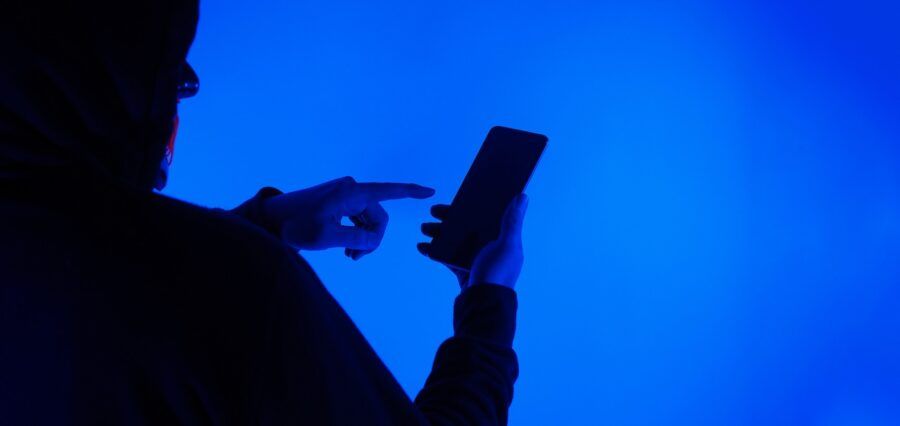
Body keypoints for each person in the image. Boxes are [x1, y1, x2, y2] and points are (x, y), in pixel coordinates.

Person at [0, 1, 528, 424]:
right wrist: (487, 306)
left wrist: (261, 224)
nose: (186, 88)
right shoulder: (240, 290)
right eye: (170, 74)